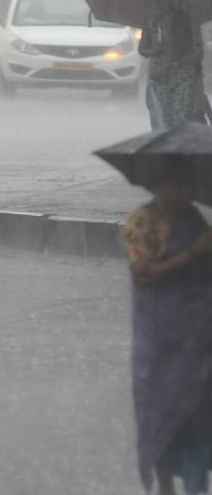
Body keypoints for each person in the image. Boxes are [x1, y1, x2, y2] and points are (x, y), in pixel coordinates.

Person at [124, 158, 212, 495]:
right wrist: (193, 252)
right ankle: (164, 489)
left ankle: (195, 487)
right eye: (180, 185)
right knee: (160, 414)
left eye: (189, 185)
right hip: (159, 340)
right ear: (161, 186)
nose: (187, 192)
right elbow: (143, 275)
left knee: (198, 415)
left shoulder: (193, 218)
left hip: (197, 337)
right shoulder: (143, 221)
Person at [140, 0, 209, 130]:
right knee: (160, 119)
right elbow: (143, 49)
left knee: (179, 119)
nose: (168, 1)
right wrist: (153, 49)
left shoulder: (189, 21)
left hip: (183, 77)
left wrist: (172, 64)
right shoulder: (153, 21)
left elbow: (196, 52)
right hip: (158, 77)